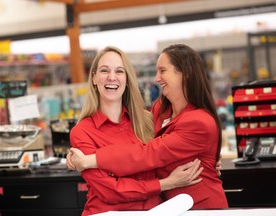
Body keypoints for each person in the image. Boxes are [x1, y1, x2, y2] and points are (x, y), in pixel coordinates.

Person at [68, 44, 228, 209]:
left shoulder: (146, 120)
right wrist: (166, 183)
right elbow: (111, 189)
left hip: (196, 208)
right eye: (104, 70)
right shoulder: (158, 111)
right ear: (93, 78)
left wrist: (91, 160)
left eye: (162, 70)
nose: (156, 78)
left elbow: (149, 154)